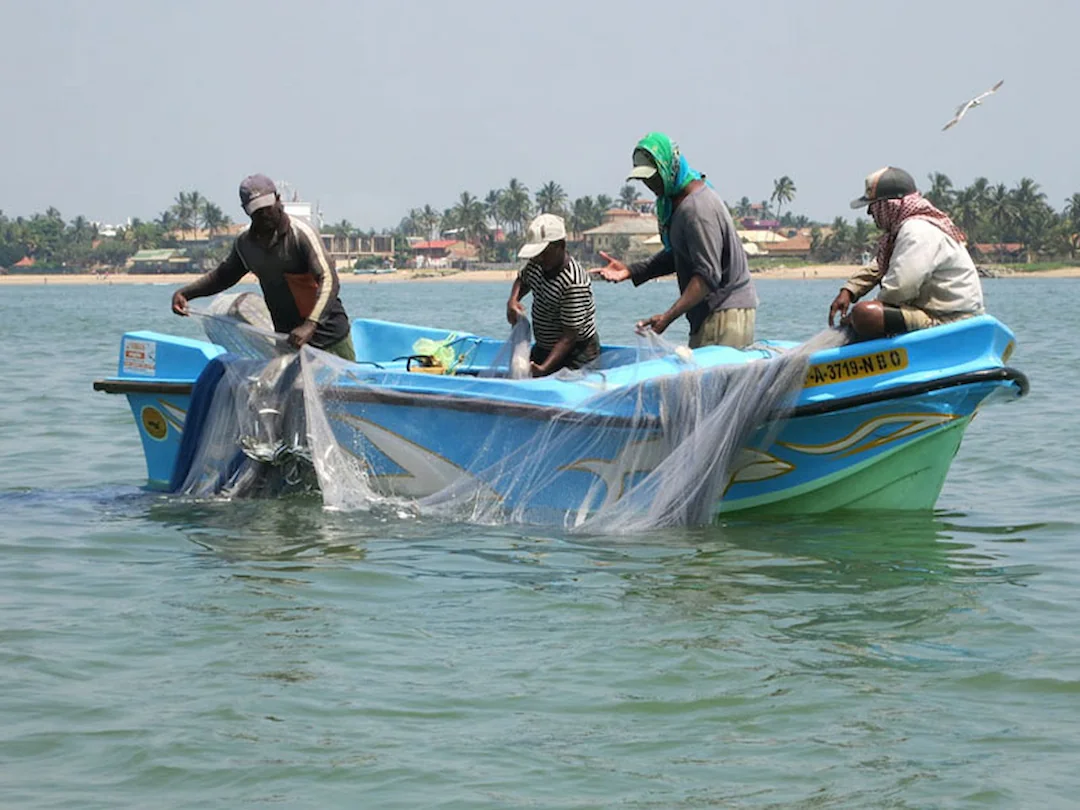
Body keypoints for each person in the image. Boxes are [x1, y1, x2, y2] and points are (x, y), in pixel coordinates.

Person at [595, 132, 758, 349]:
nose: (649, 184)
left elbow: (707, 276)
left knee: (715, 381)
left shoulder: (697, 209)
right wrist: (631, 271)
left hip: (725, 311)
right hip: (710, 312)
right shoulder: (678, 206)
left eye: (653, 176)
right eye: (644, 178)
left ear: (669, 167)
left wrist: (668, 317)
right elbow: (677, 256)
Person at [171, 174, 356, 360]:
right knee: (289, 388)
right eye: (257, 210)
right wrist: (186, 293)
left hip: (329, 334)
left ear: (277, 199)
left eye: (268, 206)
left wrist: (311, 324)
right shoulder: (245, 243)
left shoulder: (301, 234)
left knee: (344, 387)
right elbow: (224, 276)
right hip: (288, 338)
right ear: (246, 211)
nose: (265, 213)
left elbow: (329, 280)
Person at [829, 166, 985, 338]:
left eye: (872, 206)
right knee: (867, 314)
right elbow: (881, 266)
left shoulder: (916, 231)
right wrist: (849, 290)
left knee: (866, 314)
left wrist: (855, 319)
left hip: (950, 319)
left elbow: (901, 288)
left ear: (887, 205)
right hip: (936, 313)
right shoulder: (905, 230)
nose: (869, 212)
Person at [506, 213, 600, 376]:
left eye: (545, 252)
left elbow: (569, 336)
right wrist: (513, 301)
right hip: (545, 346)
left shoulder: (573, 282)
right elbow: (523, 280)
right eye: (537, 254)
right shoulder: (537, 264)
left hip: (576, 354)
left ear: (561, 246)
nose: (540, 258)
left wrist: (544, 368)